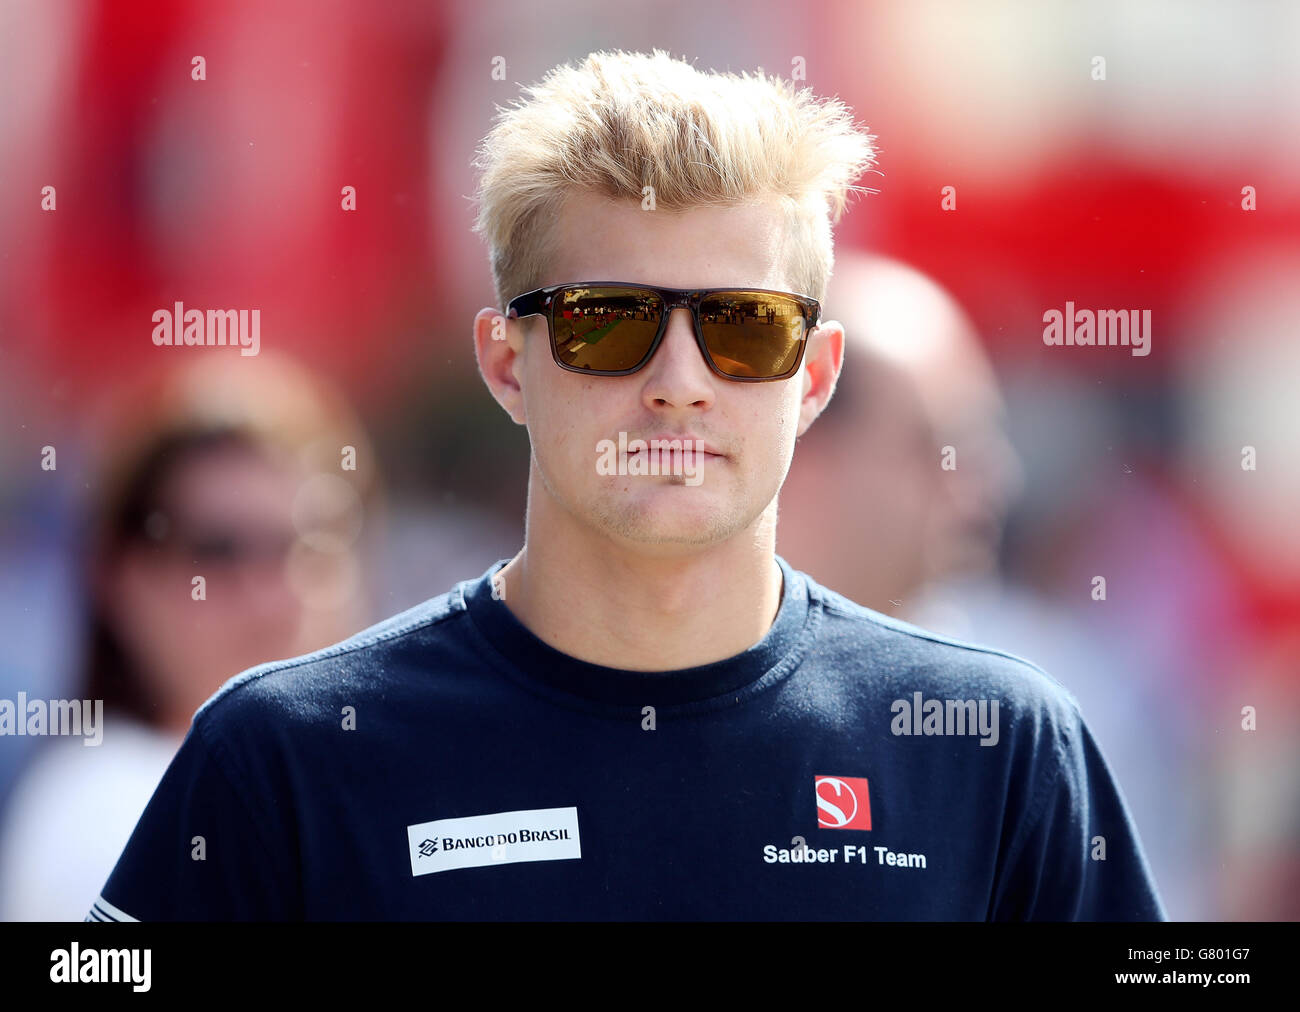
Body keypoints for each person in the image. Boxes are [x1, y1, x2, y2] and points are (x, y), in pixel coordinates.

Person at [87, 49, 1164, 922]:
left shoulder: (999, 747)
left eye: (743, 327)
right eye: (609, 321)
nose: (679, 386)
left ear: (814, 373)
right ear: (508, 362)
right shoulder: (287, 754)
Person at [0, 353, 375, 920]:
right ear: (121, 579)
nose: (273, 594)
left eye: (307, 543)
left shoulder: (367, 783)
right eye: (218, 550)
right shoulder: (102, 805)